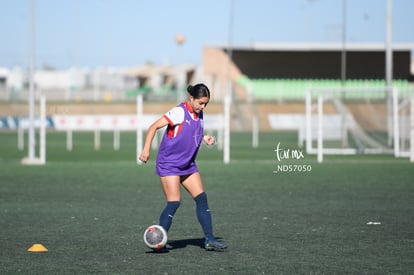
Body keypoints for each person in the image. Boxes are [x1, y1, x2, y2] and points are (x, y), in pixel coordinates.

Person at [139, 83, 227, 252]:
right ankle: (158, 242)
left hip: (187, 164)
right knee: (174, 202)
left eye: (206, 104)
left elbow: (192, 132)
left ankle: (209, 239)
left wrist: (204, 138)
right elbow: (153, 127)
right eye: (200, 103)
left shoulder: (199, 114)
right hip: (169, 164)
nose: (203, 107)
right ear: (191, 98)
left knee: (201, 198)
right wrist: (146, 149)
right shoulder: (179, 112)